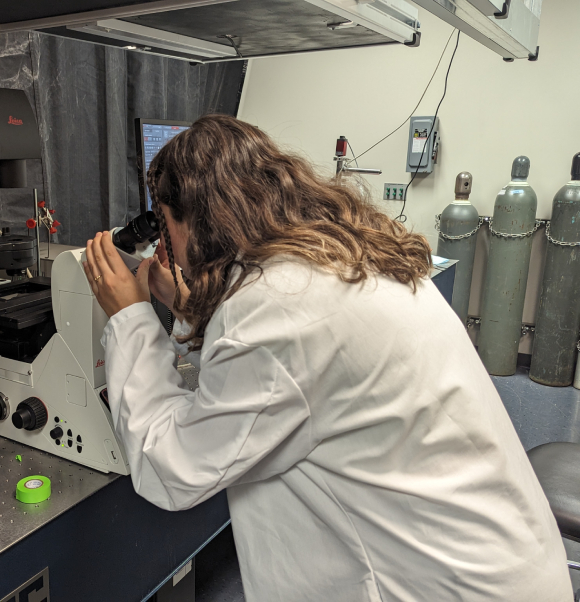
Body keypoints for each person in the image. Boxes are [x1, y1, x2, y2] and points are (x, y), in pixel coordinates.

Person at [82, 114, 571, 601]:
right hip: (501, 555)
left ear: (201, 220)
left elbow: (173, 469)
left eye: (165, 226)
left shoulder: (272, 307)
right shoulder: (330, 259)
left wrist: (131, 318)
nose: (168, 246)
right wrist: (186, 306)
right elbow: (288, 370)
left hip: (449, 585)